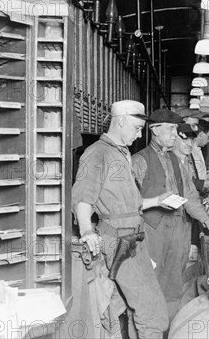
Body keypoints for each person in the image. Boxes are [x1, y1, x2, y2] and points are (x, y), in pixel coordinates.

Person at [72, 100, 168, 339]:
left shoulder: (121, 152)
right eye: (136, 128)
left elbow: (125, 205)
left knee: (121, 309)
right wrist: (86, 230)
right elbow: (83, 198)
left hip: (132, 236)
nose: (138, 135)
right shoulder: (97, 154)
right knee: (152, 312)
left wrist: (156, 201)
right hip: (120, 240)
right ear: (121, 120)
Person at [131, 109, 209, 320]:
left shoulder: (176, 161)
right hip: (153, 236)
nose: (174, 134)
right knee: (150, 288)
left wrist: (206, 220)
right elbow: (126, 204)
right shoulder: (138, 161)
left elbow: (190, 196)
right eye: (170, 129)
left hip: (179, 234)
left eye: (175, 129)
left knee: (173, 288)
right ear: (154, 130)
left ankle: (170, 328)